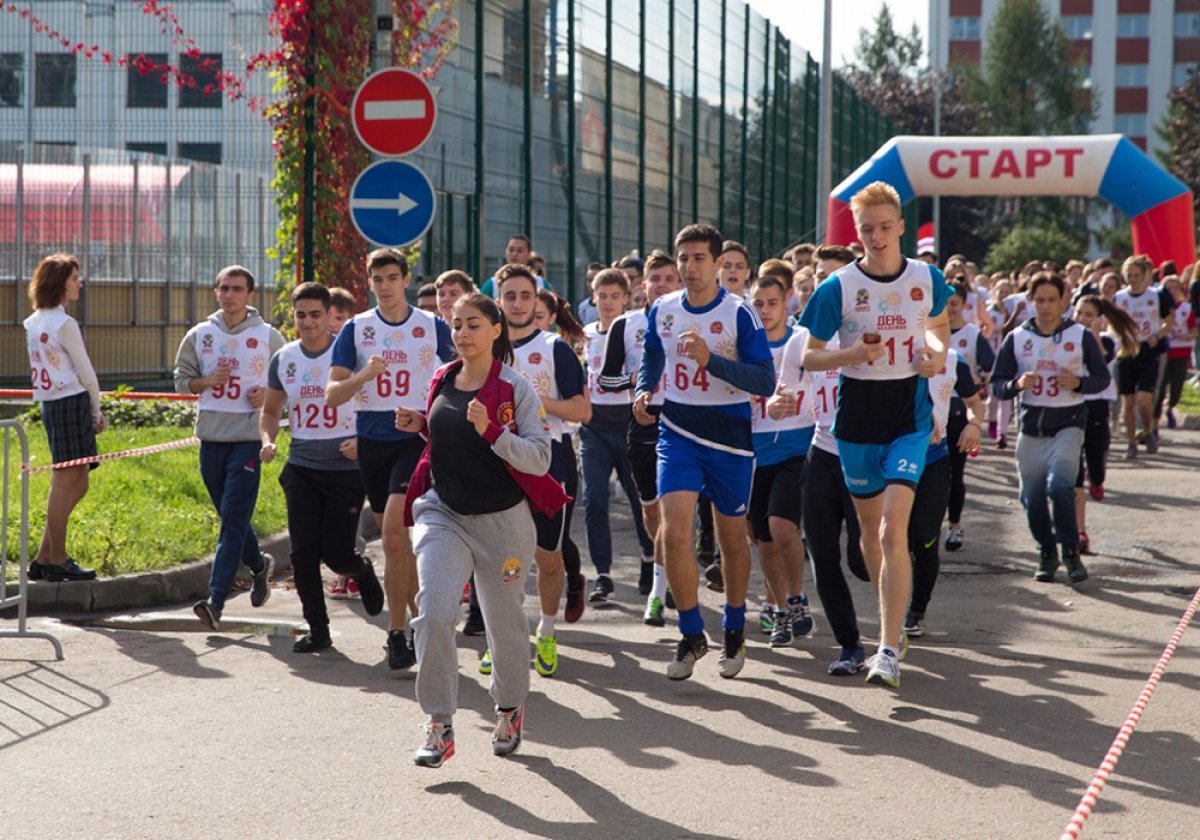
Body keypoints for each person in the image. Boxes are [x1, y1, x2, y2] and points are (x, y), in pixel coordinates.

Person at [399, 293, 567, 768]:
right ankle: (439, 723)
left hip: (502, 523)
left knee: (505, 626)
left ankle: (510, 708)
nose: (462, 333)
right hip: (444, 513)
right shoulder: (442, 379)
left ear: (496, 330)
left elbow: (539, 458)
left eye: (473, 324)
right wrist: (420, 425)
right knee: (433, 611)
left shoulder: (515, 388)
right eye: (456, 325)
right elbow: (444, 440)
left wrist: (494, 433)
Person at [799, 181, 952, 689]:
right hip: (857, 422)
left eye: (886, 227)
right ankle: (893, 612)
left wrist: (936, 353)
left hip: (908, 418)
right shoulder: (837, 287)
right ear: (857, 232)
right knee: (869, 534)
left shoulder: (926, 278)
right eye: (867, 229)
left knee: (892, 530)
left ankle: (887, 648)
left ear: (901, 226)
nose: (877, 237)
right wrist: (851, 356)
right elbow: (809, 354)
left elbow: (937, 326)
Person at [635, 223, 775, 680]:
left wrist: (710, 361)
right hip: (677, 428)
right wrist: (644, 388)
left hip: (730, 435)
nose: (690, 267)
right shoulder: (663, 309)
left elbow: (764, 380)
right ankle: (692, 632)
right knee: (673, 532)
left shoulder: (740, 315)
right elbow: (653, 354)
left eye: (699, 259)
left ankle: (734, 627)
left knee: (732, 538)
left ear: (718, 263)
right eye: (683, 258)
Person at [327, 248, 455, 670]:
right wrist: (365, 375)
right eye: (377, 279)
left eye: (392, 278)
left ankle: (396, 632)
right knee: (396, 542)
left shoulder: (431, 326)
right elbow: (333, 395)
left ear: (405, 280)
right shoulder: (356, 329)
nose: (385, 287)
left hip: (413, 440)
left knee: (396, 537)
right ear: (369, 283)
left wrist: (428, 416)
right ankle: (420, 621)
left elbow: (461, 378)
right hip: (372, 441)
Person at [259, 283, 385, 652]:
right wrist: (268, 440)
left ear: (330, 315)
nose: (308, 322)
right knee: (302, 553)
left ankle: (360, 570)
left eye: (316, 314)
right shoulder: (284, 358)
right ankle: (318, 627)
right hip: (302, 467)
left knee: (337, 554)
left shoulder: (349, 356)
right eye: (301, 315)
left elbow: (379, 405)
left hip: (345, 470)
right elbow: (269, 411)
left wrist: (362, 441)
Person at [174, 265, 285, 630]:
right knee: (230, 517)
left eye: (238, 288)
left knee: (233, 517)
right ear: (215, 291)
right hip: (212, 438)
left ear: (250, 295)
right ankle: (258, 566)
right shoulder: (200, 334)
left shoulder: (268, 336)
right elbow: (181, 382)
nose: (230, 294)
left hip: (249, 440)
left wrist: (267, 395)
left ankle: (215, 599)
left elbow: (290, 382)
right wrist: (208, 381)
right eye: (224, 287)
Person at [494, 264, 588, 677]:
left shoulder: (554, 348)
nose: (517, 303)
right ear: (499, 301)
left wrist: (533, 401)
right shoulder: (485, 347)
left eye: (525, 296)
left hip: (549, 458)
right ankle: (505, 639)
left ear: (537, 302)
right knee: (501, 558)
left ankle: (546, 632)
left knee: (548, 559)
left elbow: (582, 410)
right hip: (498, 462)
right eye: (509, 296)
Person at [990, 272, 1111, 584]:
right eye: (1039, 300)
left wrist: (1079, 383)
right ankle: (1046, 551)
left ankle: (1070, 551)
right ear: (1031, 301)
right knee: (1030, 496)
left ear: (1064, 301)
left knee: (1060, 486)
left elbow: (1103, 378)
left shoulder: (1080, 336)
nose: (1045, 307)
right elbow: (997, 384)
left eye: (1051, 300)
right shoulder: (1017, 338)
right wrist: (1016, 384)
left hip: (1069, 423)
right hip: (1031, 425)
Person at [596, 249, 683, 625]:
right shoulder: (625, 324)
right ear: (641, 284)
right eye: (655, 279)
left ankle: (660, 591)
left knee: (676, 512)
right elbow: (605, 378)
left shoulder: (691, 318)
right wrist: (635, 384)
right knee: (651, 511)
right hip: (642, 421)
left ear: (678, 283)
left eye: (669, 278)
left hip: (683, 422)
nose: (661, 285)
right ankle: (658, 564)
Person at [24, 253, 103, 582]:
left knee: (78, 481)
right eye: (73, 279)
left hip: (51, 403)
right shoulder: (63, 323)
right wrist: (96, 408)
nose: (78, 284)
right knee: (65, 480)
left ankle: (44, 556)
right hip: (69, 400)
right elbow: (85, 371)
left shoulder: (34, 321)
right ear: (60, 284)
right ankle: (57, 558)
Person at [580, 268, 655, 603]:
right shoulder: (585, 334)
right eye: (602, 296)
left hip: (627, 423)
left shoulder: (632, 331)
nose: (608, 303)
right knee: (594, 498)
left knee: (641, 499)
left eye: (615, 297)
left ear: (626, 298)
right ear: (593, 297)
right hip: (594, 426)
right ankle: (603, 574)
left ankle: (649, 557)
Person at [751, 274, 816, 647]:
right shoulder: (746, 345)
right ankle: (778, 609)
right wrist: (763, 404)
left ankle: (796, 600)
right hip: (754, 453)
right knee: (763, 540)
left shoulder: (801, 341)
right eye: (758, 304)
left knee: (781, 526)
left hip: (795, 448)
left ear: (787, 300)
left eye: (772, 303)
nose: (765, 311)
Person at [904, 348, 985, 639]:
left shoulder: (953, 359)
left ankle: (916, 611)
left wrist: (974, 424)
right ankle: (892, 606)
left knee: (925, 538)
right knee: (892, 539)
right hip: (889, 461)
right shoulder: (885, 353)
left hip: (932, 460)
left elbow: (975, 402)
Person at [1072, 294, 1138, 552]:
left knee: (1096, 458)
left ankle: (1097, 479)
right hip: (1074, 405)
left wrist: (1095, 334)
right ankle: (1079, 532)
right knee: (1074, 467)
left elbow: (1100, 358)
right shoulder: (1068, 337)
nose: (1083, 319)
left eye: (1089, 315)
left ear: (1099, 318)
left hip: (1098, 406)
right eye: (1079, 313)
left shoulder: (1108, 341)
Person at [942, 281, 996, 552]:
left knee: (955, 472)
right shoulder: (926, 332)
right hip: (930, 409)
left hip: (959, 408)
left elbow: (991, 367)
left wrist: (980, 378)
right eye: (945, 303)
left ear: (964, 305)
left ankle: (954, 526)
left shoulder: (972, 335)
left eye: (954, 304)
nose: (949, 309)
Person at [1112, 254, 1174, 458]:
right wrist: (1119, 335)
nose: (1133, 279)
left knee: (1144, 399)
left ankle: (1148, 431)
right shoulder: (1119, 297)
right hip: (1127, 351)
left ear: (1144, 275)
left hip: (1149, 351)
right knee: (1128, 401)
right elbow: (1112, 324)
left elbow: (1169, 321)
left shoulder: (1157, 295)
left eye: (1137, 275)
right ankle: (1131, 442)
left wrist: (1157, 335)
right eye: (1129, 275)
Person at [327, 285, 364, 601]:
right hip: (324, 441)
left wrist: (360, 437)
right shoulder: (311, 351)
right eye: (329, 316)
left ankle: (349, 571)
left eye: (339, 317)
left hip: (354, 438)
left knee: (348, 511)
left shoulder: (357, 349)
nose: (333, 323)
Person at [1155, 275, 1195, 430]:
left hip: (1181, 351)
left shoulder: (1186, 309)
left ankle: (1170, 407)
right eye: (1168, 288)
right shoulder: (1157, 307)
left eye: (1175, 288)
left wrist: (1186, 336)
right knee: (1159, 386)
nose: (1172, 291)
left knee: (1177, 387)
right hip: (1163, 352)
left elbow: (1193, 331)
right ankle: (1154, 422)